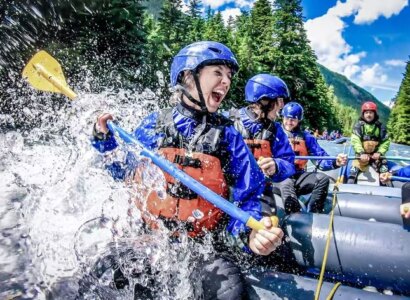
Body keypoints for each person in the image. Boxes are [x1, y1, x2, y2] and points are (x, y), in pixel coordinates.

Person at [91, 41, 283, 299]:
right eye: (217, 73)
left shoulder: (228, 137)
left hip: (204, 247)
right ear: (187, 76)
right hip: (150, 239)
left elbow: (251, 195)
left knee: (230, 293)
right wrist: (105, 141)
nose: (226, 82)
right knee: (103, 271)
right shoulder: (155, 125)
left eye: (228, 76)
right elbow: (123, 172)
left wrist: (251, 233)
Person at [228, 74, 295, 216]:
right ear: (264, 101)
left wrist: (277, 165)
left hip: (259, 190)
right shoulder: (229, 122)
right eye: (279, 101)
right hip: (228, 188)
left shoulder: (276, 131)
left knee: (268, 227)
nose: (282, 107)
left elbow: (289, 163)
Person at [278, 102, 347, 213]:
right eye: (286, 118)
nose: (289, 122)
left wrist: (336, 162)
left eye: (293, 120)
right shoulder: (274, 134)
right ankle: (294, 216)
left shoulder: (306, 137)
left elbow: (320, 158)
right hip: (279, 176)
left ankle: (314, 213)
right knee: (286, 182)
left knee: (323, 179)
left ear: (299, 120)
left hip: (298, 175)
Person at [348, 101, 390, 184]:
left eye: (371, 112)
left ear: (374, 114)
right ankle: (351, 181)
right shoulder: (359, 126)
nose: (368, 115)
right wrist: (361, 153)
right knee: (354, 169)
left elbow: (386, 142)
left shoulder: (381, 127)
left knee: (384, 167)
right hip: (362, 155)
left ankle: (385, 183)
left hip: (376, 156)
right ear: (363, 114)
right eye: (366, 112)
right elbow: (355, 141)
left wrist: (379, 152)